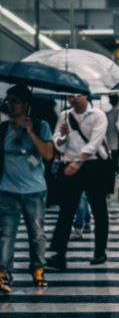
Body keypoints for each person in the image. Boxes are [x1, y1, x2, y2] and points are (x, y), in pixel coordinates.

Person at [0, 85, 54, 293]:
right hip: (7, 190)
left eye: (14, 101)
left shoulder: (41, 126)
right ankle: (3, 272)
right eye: (9, 100)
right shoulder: (4, 128)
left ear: (25, 104)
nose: (10, 104)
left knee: (37, 233)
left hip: (34, 190)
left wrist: (30, 132)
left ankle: (38, 268)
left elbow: (48, 155)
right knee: (6, 233)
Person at [48, 91, 111, 269]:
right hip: (69, 166)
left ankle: (100, 251)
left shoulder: (98, 115)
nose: (72, 99)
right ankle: (59, 254)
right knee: (66, 211)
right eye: (69, 96)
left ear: (85, 95)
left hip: (93, 166)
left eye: (75, 95)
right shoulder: (64, 115)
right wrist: (63, 135)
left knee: (99, 209)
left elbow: (95, 143)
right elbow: (57, 143)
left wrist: (78, 162)